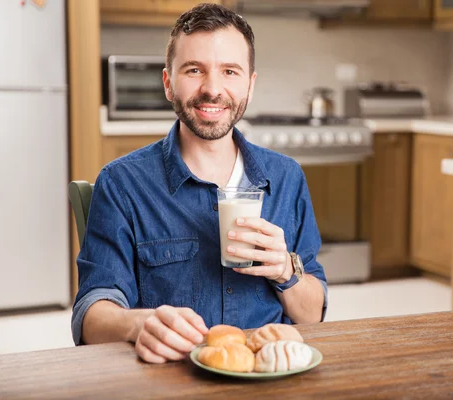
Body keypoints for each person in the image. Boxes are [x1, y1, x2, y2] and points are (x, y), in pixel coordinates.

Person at [72, 3, 327, 364]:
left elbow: (312, 314)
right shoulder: (122, 183)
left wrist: (287, 271)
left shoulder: (287, 178)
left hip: (264, 380)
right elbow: (90, 317)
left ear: (250, 86)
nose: (212, 89)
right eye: (194, 70)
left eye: (230, 71)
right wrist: (136, 324)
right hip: (168, 379)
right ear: (167, 82)